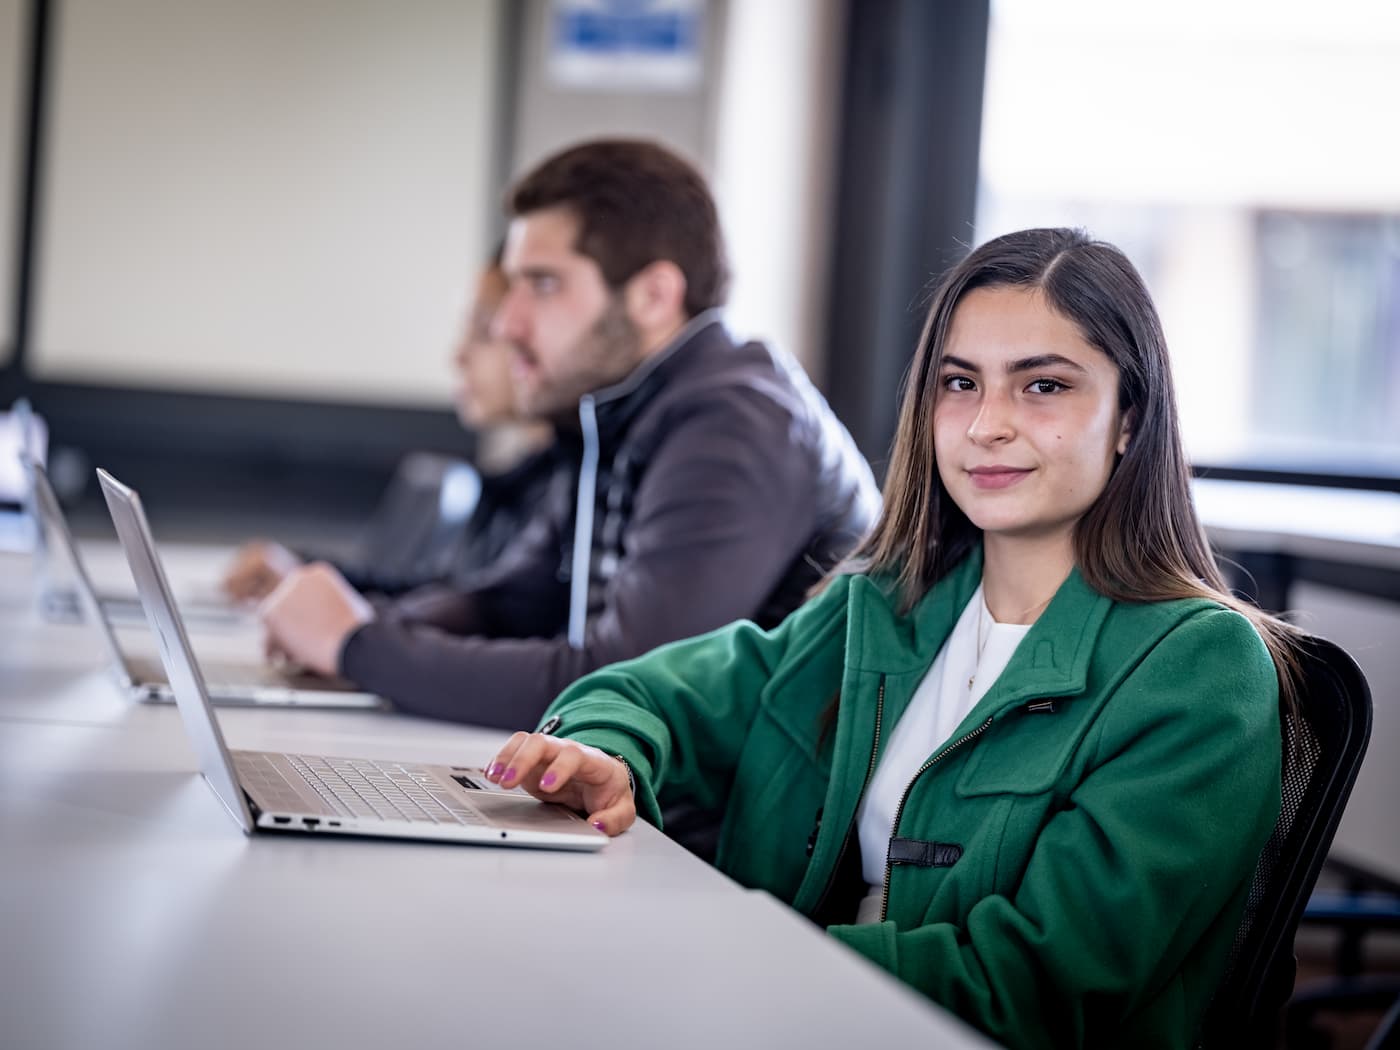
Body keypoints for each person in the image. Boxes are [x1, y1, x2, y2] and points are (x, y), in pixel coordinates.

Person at [484, 227, 1301, 1049]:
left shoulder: (1199, 667)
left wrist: (728, 960)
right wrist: (600, 754)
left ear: (1129, 418)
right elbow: (641, 691)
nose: (987, 424)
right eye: (960, 382)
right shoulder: (890, 606)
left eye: (1044, 386)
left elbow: (1032, 987)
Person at [258, 139, 880, 736]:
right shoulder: (622, 407)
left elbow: (624, 685)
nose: (507, 322)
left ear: (653, 295)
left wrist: (357, 648)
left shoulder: (735, 425)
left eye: (544, 283)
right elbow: (512, 600)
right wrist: (354, 624)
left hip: (711, 839)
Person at [222, 260, 560, 602]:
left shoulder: (561, 497)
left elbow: (473, 616)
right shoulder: (518, 488)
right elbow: (450, 598)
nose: (457, 356)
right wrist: (304, 574)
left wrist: (350, 633)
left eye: (483, 333)